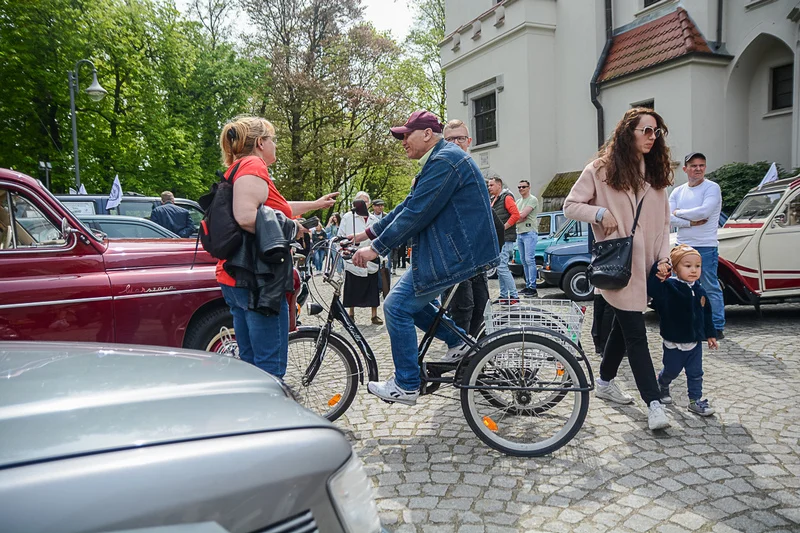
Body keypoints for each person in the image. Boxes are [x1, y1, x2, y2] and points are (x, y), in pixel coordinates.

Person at [350, 110, 500, 405]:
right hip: (450, 252)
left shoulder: (445, 161)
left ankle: (406, 383)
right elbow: (408, 206)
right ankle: (458, 342)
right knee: (408, 304)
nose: (402, 141)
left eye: (407, 135)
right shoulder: (439, 160)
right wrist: (368, 234)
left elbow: (417, 215)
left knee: (395, 307)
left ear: (428, 134)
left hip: (454, 255)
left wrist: (376, 248)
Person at [564, 107, 674, 431]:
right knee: (636, 334)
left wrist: (665, 258)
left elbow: (665, 223)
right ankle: (653, 403)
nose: (653, 137)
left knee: (623, 331)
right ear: (629, 133)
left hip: (649, 267)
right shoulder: (599, 170)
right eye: (647, 131)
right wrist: (599, 214)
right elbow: (570, 205)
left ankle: (604, 381)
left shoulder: (656, 175)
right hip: (618, 267)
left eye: (656, 132)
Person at [217, 115, 338, 378]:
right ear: (261, 142)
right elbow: (247, 217)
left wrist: (315, 205)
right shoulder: (253, 165)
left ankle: (252, 414)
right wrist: (293, 228)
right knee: (269, 368)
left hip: (239, 275)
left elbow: (277, 210)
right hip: (258, 280)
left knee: (250, 363)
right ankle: (271, 414)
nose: (276, 145)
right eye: (273, 140)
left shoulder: (240, 168)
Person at [442, 119, 499, 337]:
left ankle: (477, 356)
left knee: (482, 306)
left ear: (469, 141)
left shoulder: (473, 171)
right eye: (450, 139)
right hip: (455, 255)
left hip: (477, 255)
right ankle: (460, 356)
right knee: (461, 307)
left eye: (460, 138)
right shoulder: (442, 171)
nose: (456, 143)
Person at [648, 244, 718, 417]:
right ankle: (662, 383)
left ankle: (695, 400)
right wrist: (657, 273)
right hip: (674, 341)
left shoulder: (699, 289)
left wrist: (710, 334)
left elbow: (706, 313)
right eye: (687, 266)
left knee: (695, 373)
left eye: (697, 266)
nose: (693, 270)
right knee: (671, 370)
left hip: (694, 342)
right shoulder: (669, 287)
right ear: (675, 268)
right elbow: (652, 290)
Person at [669, 152, 725, 339]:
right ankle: (686, 325)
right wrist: (690, 222)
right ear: (685, 169)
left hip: (705, 246)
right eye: (693, 166)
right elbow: (667, 217)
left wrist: (679, 212)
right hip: (682, 246)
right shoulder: (678, 191)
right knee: (681, 288)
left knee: (709, 287)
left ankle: (716, 327)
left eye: (701, 165)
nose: (698, 169)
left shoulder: (712, 188)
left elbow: (705, 211)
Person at [339, 192, 383, 325]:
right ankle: (351, 313)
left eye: (366, 201)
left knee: (373, 287)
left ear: (369, 204)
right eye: (361, 201)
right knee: (352, 287)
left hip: (370, 257)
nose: (364, 204)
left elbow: (379, 237)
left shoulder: (374, 219)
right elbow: (341, 236)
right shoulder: (348, 217)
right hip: (353, 257)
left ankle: (374, 315)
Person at [487, 175, 520, 302]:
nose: (489, 187)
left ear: (499, 185)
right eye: (489, 185)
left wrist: (503, 227)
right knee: (500, 268)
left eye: (492, 185)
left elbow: (516, 215)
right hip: (500, 239)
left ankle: (514, 296)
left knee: (501, 267)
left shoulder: (506, 198)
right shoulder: (494, 199)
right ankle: (503, 295)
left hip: (506, 238)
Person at [515, 179, 540, 297]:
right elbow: (516, 216)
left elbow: (522, 215)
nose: (521, 189)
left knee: (529, 259)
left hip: (529, 232)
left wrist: (519, 217)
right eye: (519, 187)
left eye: (523, 187)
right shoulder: (518, 201)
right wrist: (518, 217)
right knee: (524, 261)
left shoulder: (532, 199)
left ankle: (532, 287)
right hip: (520, 232)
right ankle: (528, 285)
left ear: (529, 187)